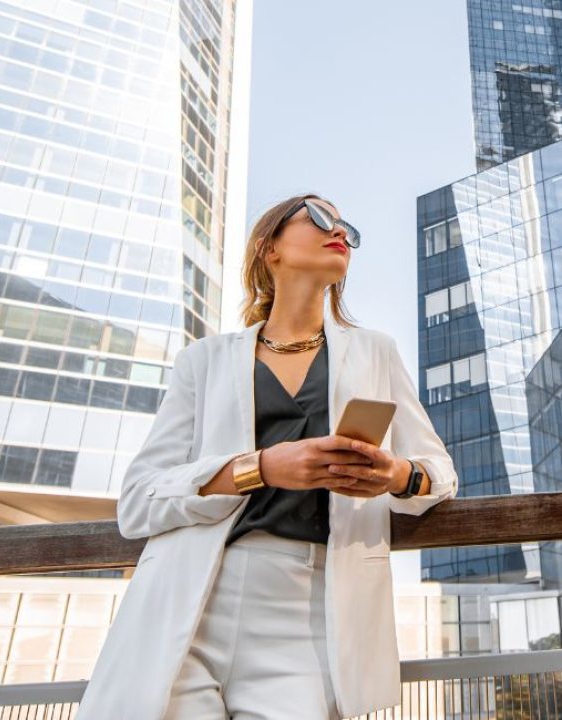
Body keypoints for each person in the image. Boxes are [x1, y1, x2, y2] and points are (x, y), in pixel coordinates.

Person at [74, 193, 459, 719]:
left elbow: (437, 475)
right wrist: (261, 467)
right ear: (267, 248)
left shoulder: (375, 352)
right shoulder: (203, 362)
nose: (339, 230)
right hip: (192, 600)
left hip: (311, 611)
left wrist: (395, 474)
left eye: (347, 224)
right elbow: (138, 502)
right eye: (321, 217)